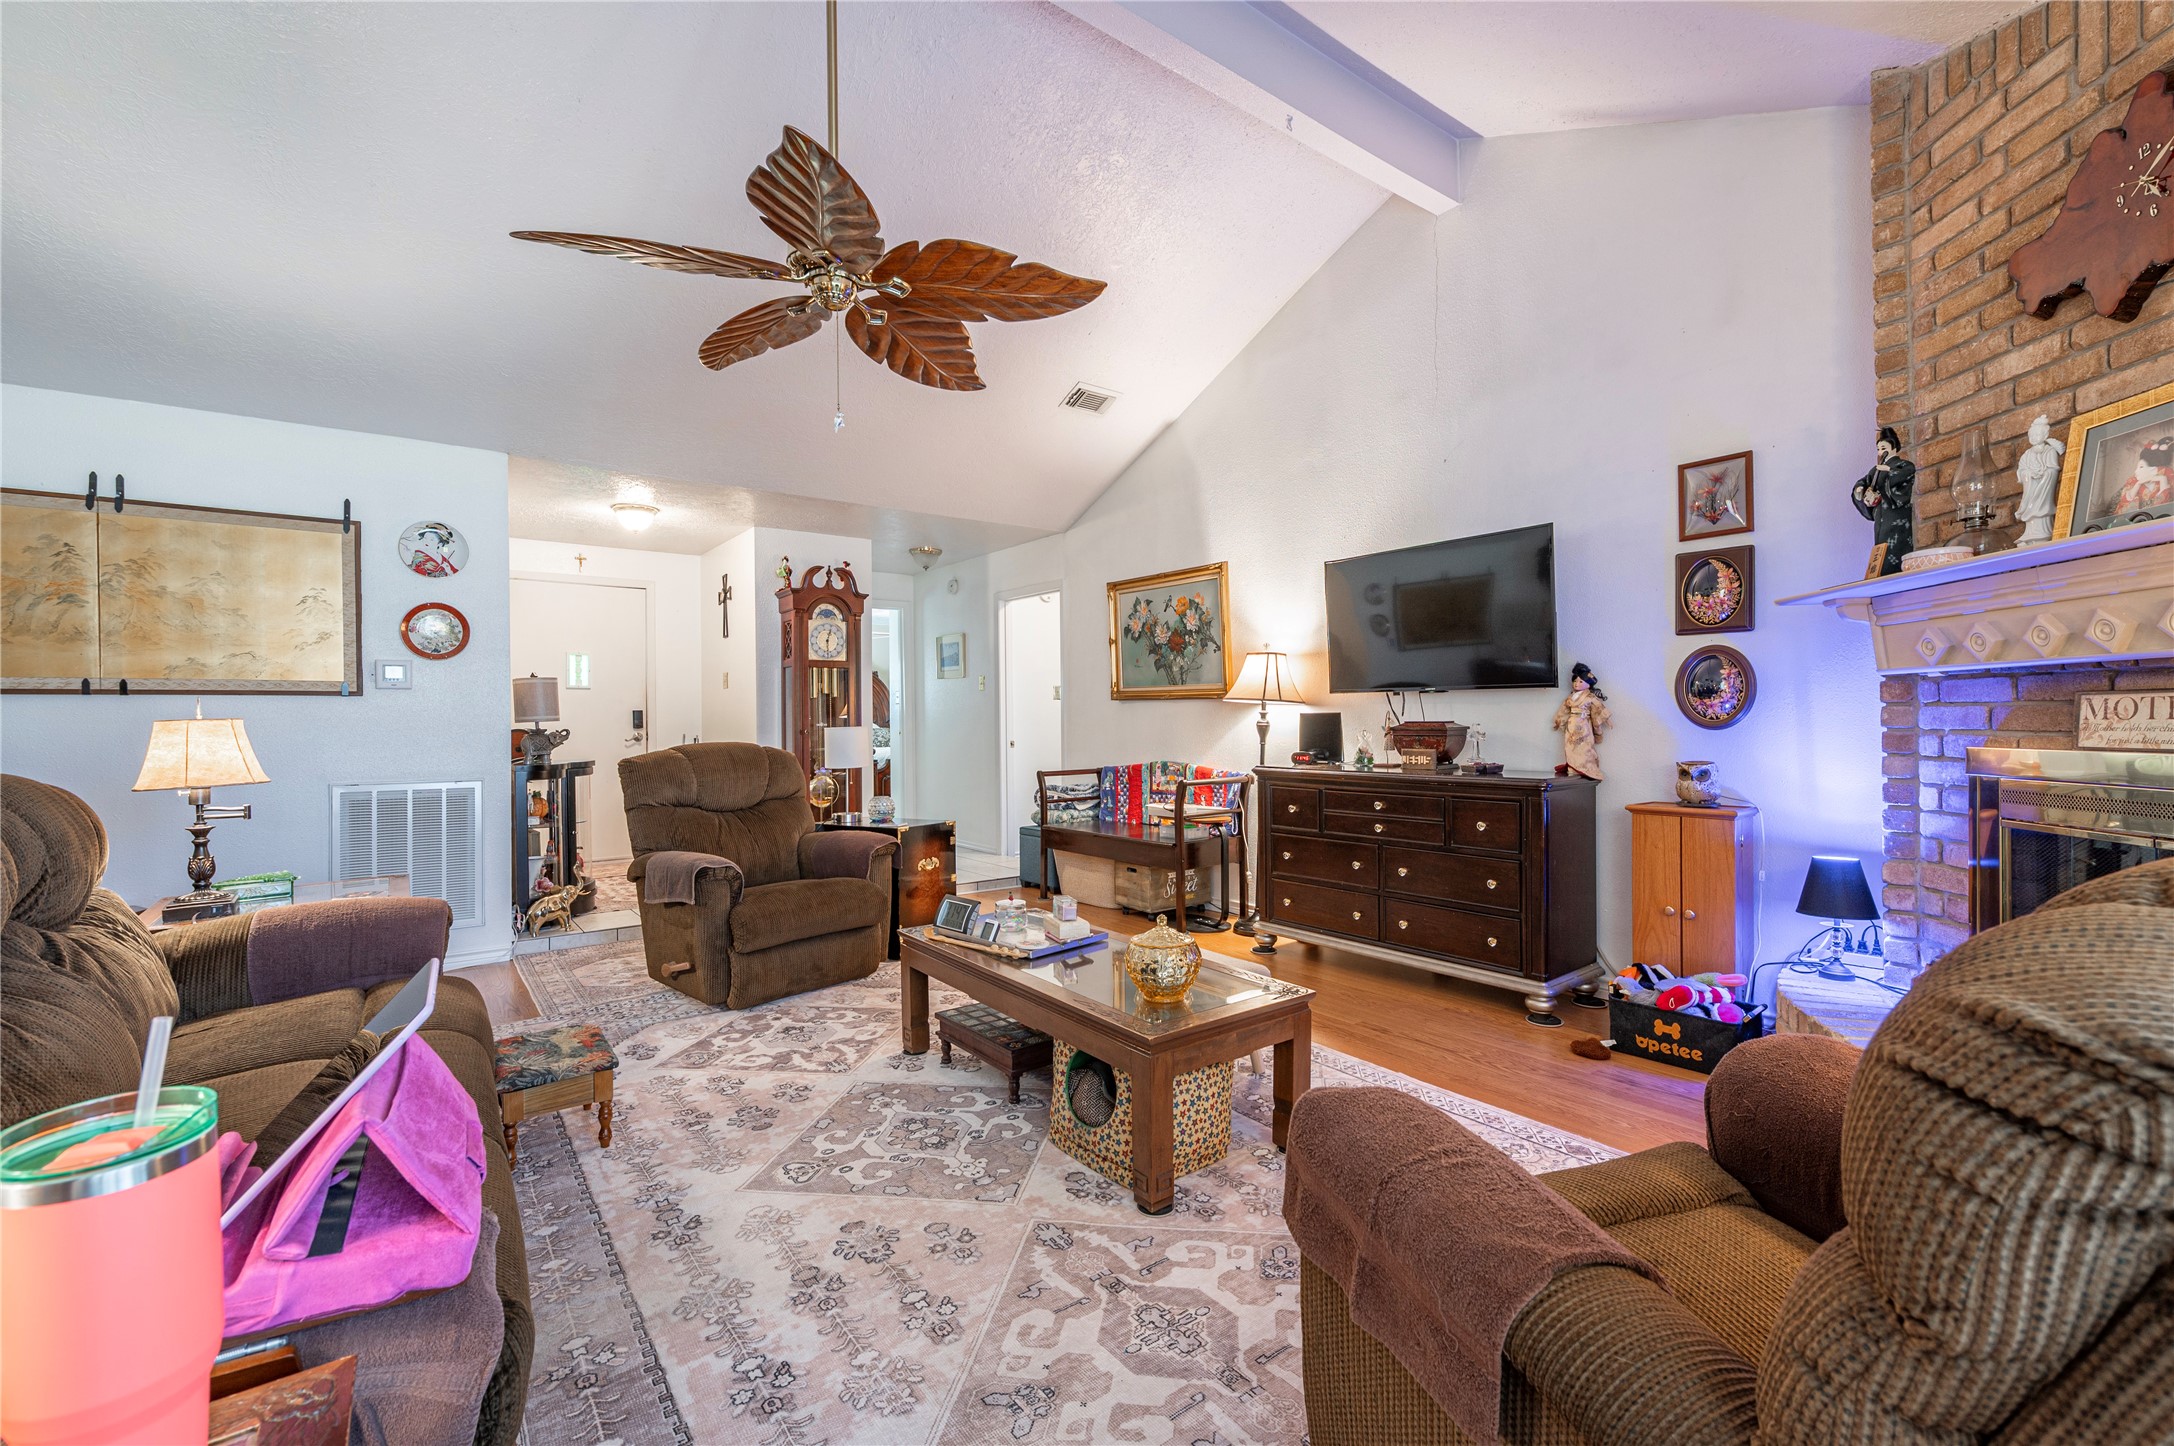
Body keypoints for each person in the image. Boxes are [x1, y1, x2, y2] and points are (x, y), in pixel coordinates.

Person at [1851, 427, 1917, 574]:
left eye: (1884, 447)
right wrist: (1861, 491)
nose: (1881, 451)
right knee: (1880, 549)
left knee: (1897, 554)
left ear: (1893, 447)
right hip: (1881, 518)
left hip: (1897, 518)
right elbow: (1862, 483)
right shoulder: (1875, 471)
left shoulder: (1904, 466)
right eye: (1878, 448)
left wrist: (1887, 473)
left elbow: (1902, 478)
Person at [1552, 662, 1611, 781]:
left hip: (1583, 725)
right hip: (1572, 724)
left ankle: (1585, 766)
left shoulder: (1590, 698)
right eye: (1575, 681)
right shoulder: (1571, 697)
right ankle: (1572, 766)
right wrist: (1560, 720)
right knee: (1570, 746)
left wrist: (1605, 720)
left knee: (1584, 746)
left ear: (1588, 684)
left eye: (1580, 682)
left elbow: (1598, 710)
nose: (1576, 684)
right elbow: (1563, 710)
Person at [2014, 414, 2065, 545]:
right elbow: (2022, 471)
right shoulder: (2027, 454)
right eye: (2031, 435)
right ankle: (2030, 533)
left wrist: (2042, 474)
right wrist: (2029, 474)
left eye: (2037, 435)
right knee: (2031, 509)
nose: (2033, 438)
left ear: (2044, 436)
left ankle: (2043, 531)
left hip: (2043, 490)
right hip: (2031, 488)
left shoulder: (2050, 451)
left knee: (2041, 511)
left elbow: (2052, 470)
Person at [2111, 436, 2173, 517]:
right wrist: (2138, 484)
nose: (2136, 471)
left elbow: (2166, 508)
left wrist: (2162, 479)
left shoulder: (2168, 476)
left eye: (2141, 467)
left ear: (2154, 469)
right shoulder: (2133, 480)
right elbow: (2123, 508)